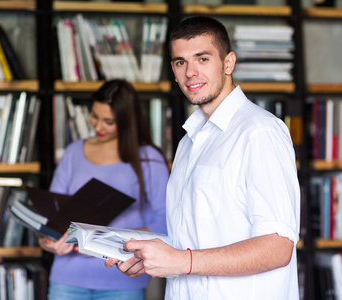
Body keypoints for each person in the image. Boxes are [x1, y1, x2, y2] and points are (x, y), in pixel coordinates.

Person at [105, 16, 301, 299]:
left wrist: (182, 260)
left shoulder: (260, 132)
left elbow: (278, 247)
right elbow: (192, 242)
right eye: (180, 62)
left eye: (203, 58)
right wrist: (148, 256)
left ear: (228, 63)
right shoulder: (188, 142)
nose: (190, 73)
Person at [38, 79, 169, 300]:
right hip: (67, 278)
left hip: (123, 280)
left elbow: (165, 221)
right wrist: (47, 241)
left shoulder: (149, 159)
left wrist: (107, 241)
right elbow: (52, 217)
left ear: (127, 121)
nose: (98, 127)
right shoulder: (73, 153)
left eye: (108, 121)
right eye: (94, 116)